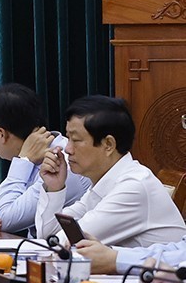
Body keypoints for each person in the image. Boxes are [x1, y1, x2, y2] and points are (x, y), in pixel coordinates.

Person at [35, 95, 186, 249]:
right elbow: (49, 236)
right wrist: (54, 188)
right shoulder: (105, 182)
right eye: (68, 138)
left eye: (76, 140)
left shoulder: (133, 187)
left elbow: (62, 244)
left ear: (108, 144)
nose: (67, 149)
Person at [0, 83, 90, 234]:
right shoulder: (34, 157)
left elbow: (4, 221)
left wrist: (24, 160)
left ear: (2, 134)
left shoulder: (62, 160)